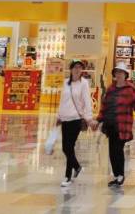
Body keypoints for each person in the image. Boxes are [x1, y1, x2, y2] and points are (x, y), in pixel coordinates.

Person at [96, 62, 135, 189]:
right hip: (110, 124)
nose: (118, 74)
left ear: (125, 75)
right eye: (117, 72)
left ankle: (120, 175)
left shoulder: (130, 89)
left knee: (118, 150)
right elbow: (104, 106)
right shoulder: (111, 88)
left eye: (121, 72)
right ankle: (116, 175)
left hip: (123, 125)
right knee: (112, 151)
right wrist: (98, 120)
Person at [57, 59, 93, 188]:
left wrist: (89, 118)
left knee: (69, 147)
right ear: (71, 69)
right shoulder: (66, 83)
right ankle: (77, 167)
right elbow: (62, 100)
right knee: (65, 148)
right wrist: (59, 116)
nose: (77, 69)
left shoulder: (84, 83)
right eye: (75, 67)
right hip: (65, 119)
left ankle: (67, 176)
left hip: (76, 119)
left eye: (79, 67)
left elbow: (87, 101)